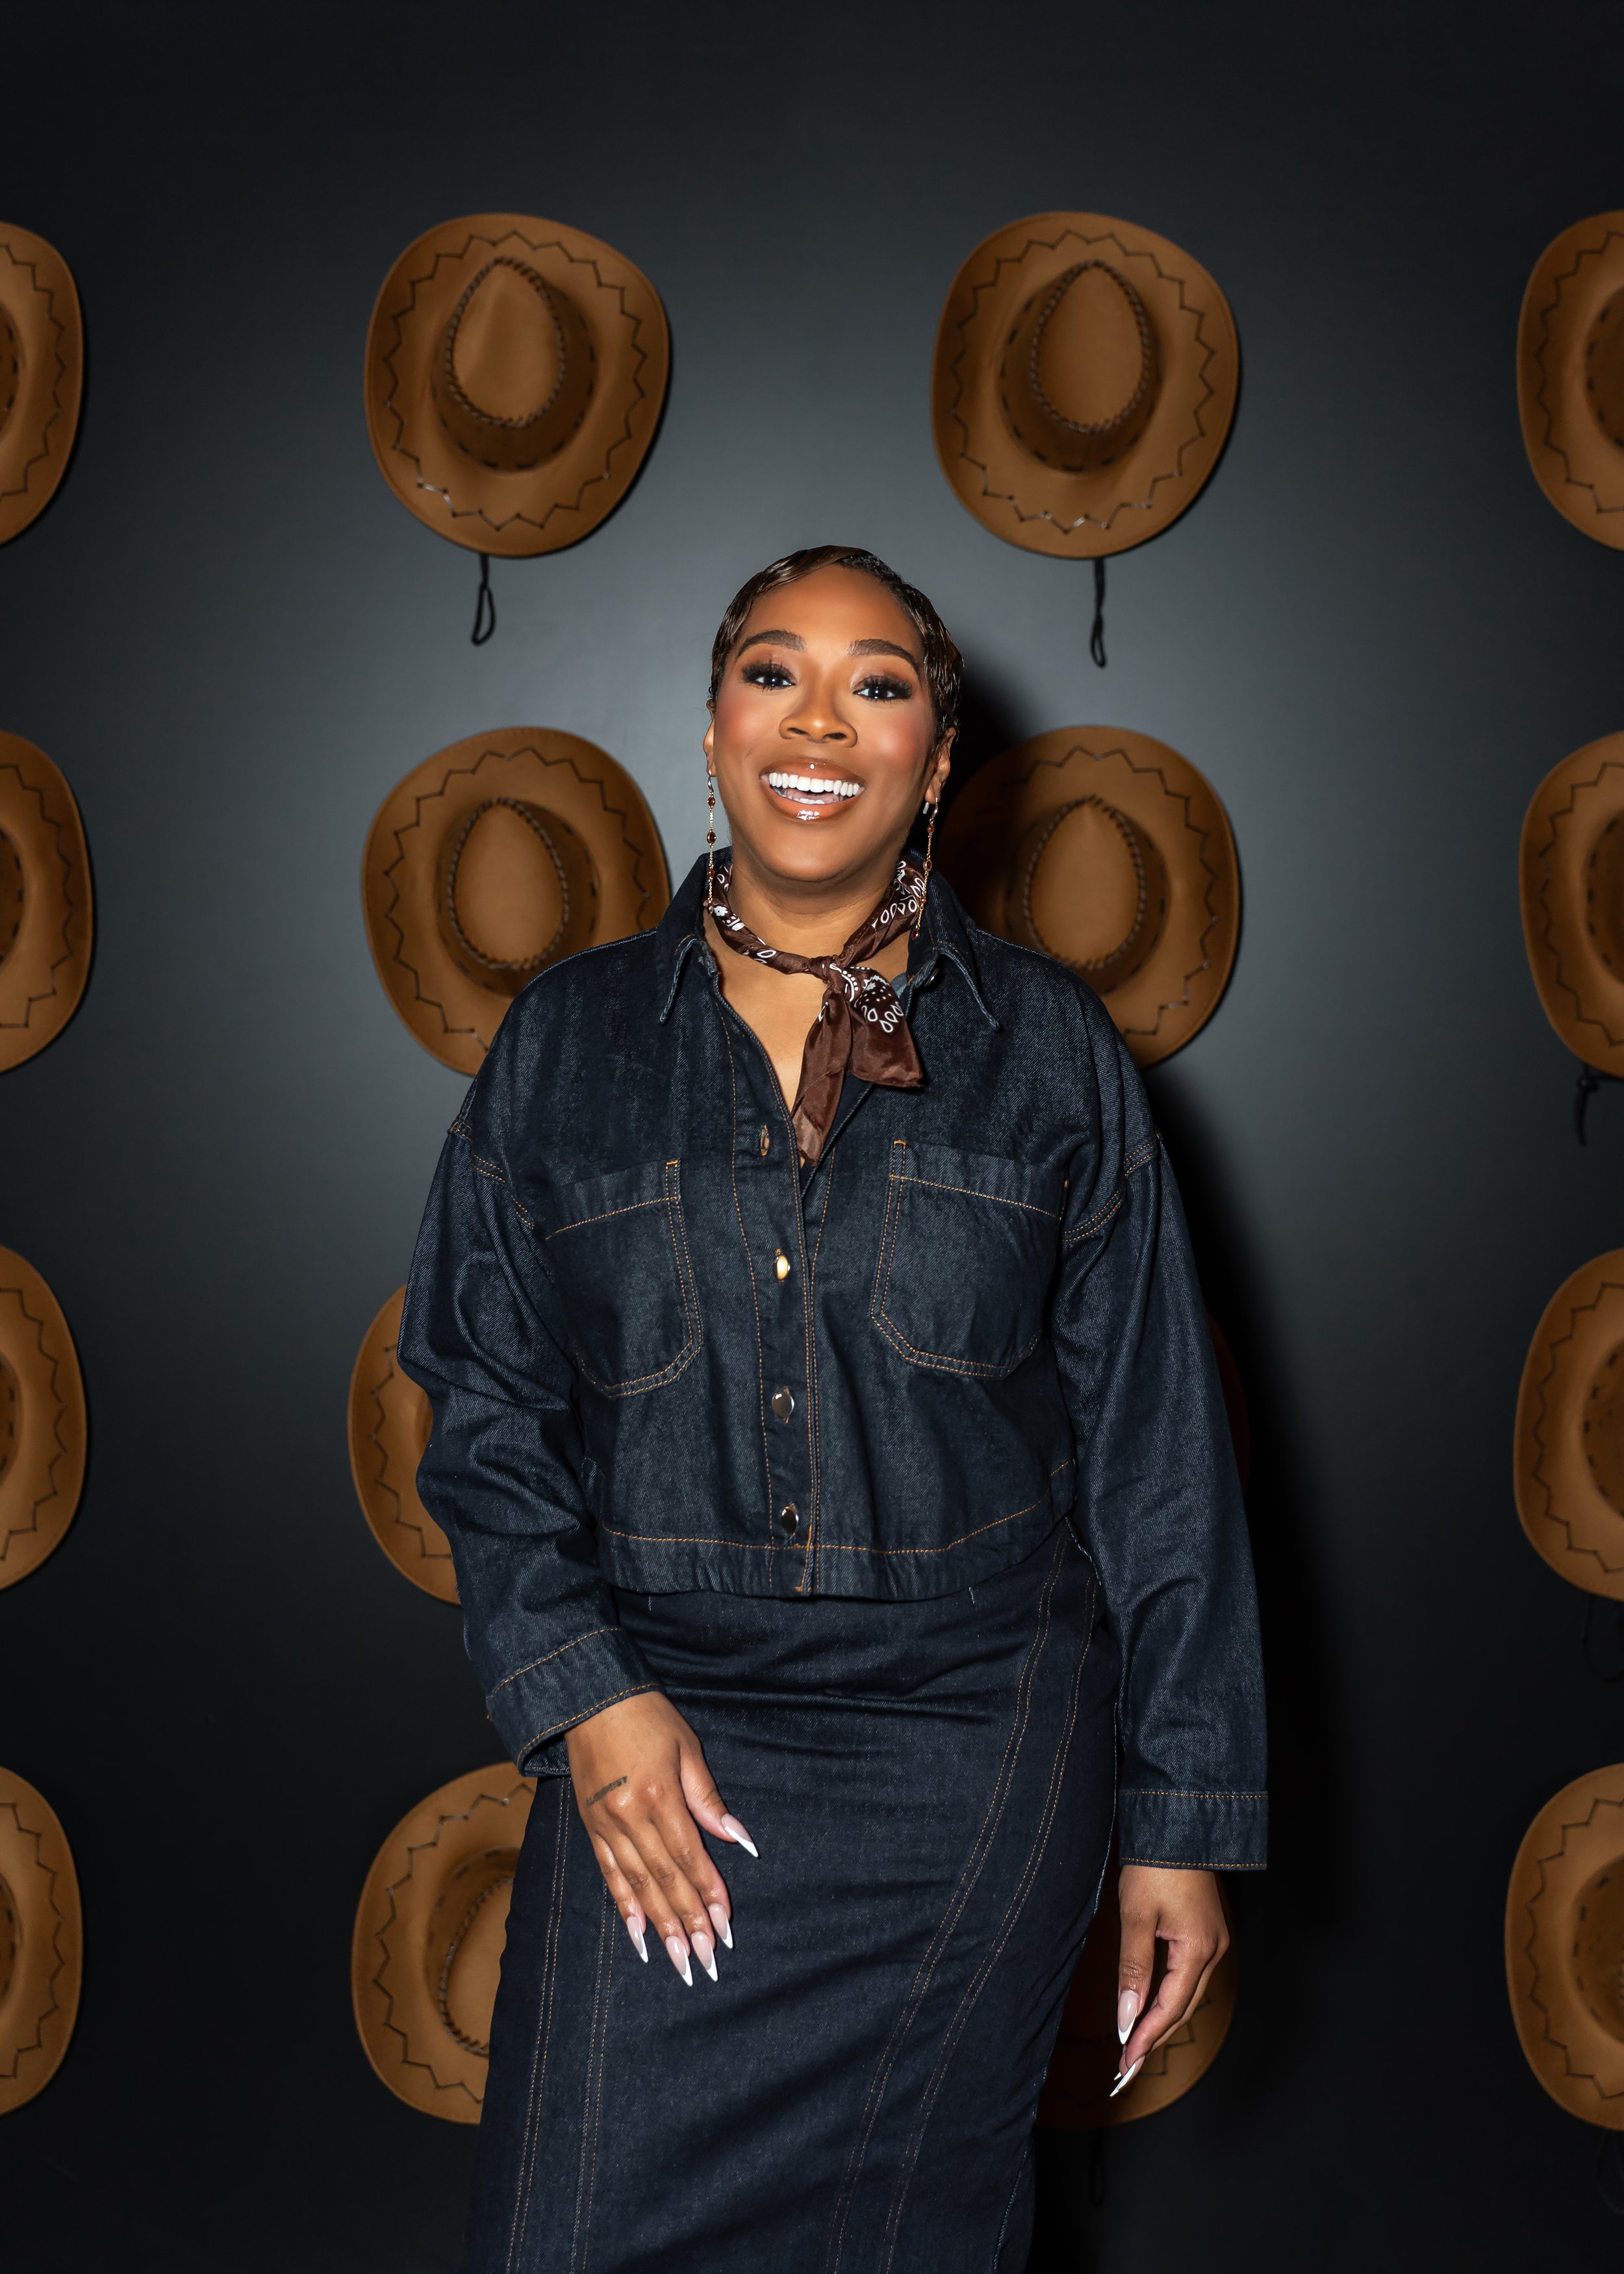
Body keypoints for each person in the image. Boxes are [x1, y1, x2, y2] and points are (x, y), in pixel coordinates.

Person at [399, 546, 1266, 2274]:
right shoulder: (563, 1047)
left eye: (878, 684)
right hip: (661, 1735)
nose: (820, 718)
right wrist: (587, 1700)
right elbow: (482, 1408)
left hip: (971, 1740)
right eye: (772, 673)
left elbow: (1156, 1452)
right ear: (714, 730)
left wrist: (1180, 1818)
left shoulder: (1050, 1050)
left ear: (936, 761)